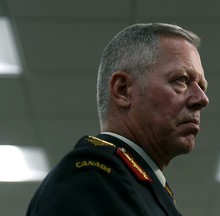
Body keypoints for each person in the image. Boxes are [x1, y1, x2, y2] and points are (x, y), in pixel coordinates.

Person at [26, 23, 209, 216]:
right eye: (182, 80)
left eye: (202, 86)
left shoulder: (133, 184)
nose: (202, 99)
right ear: (123, 90)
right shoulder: (92, 178)